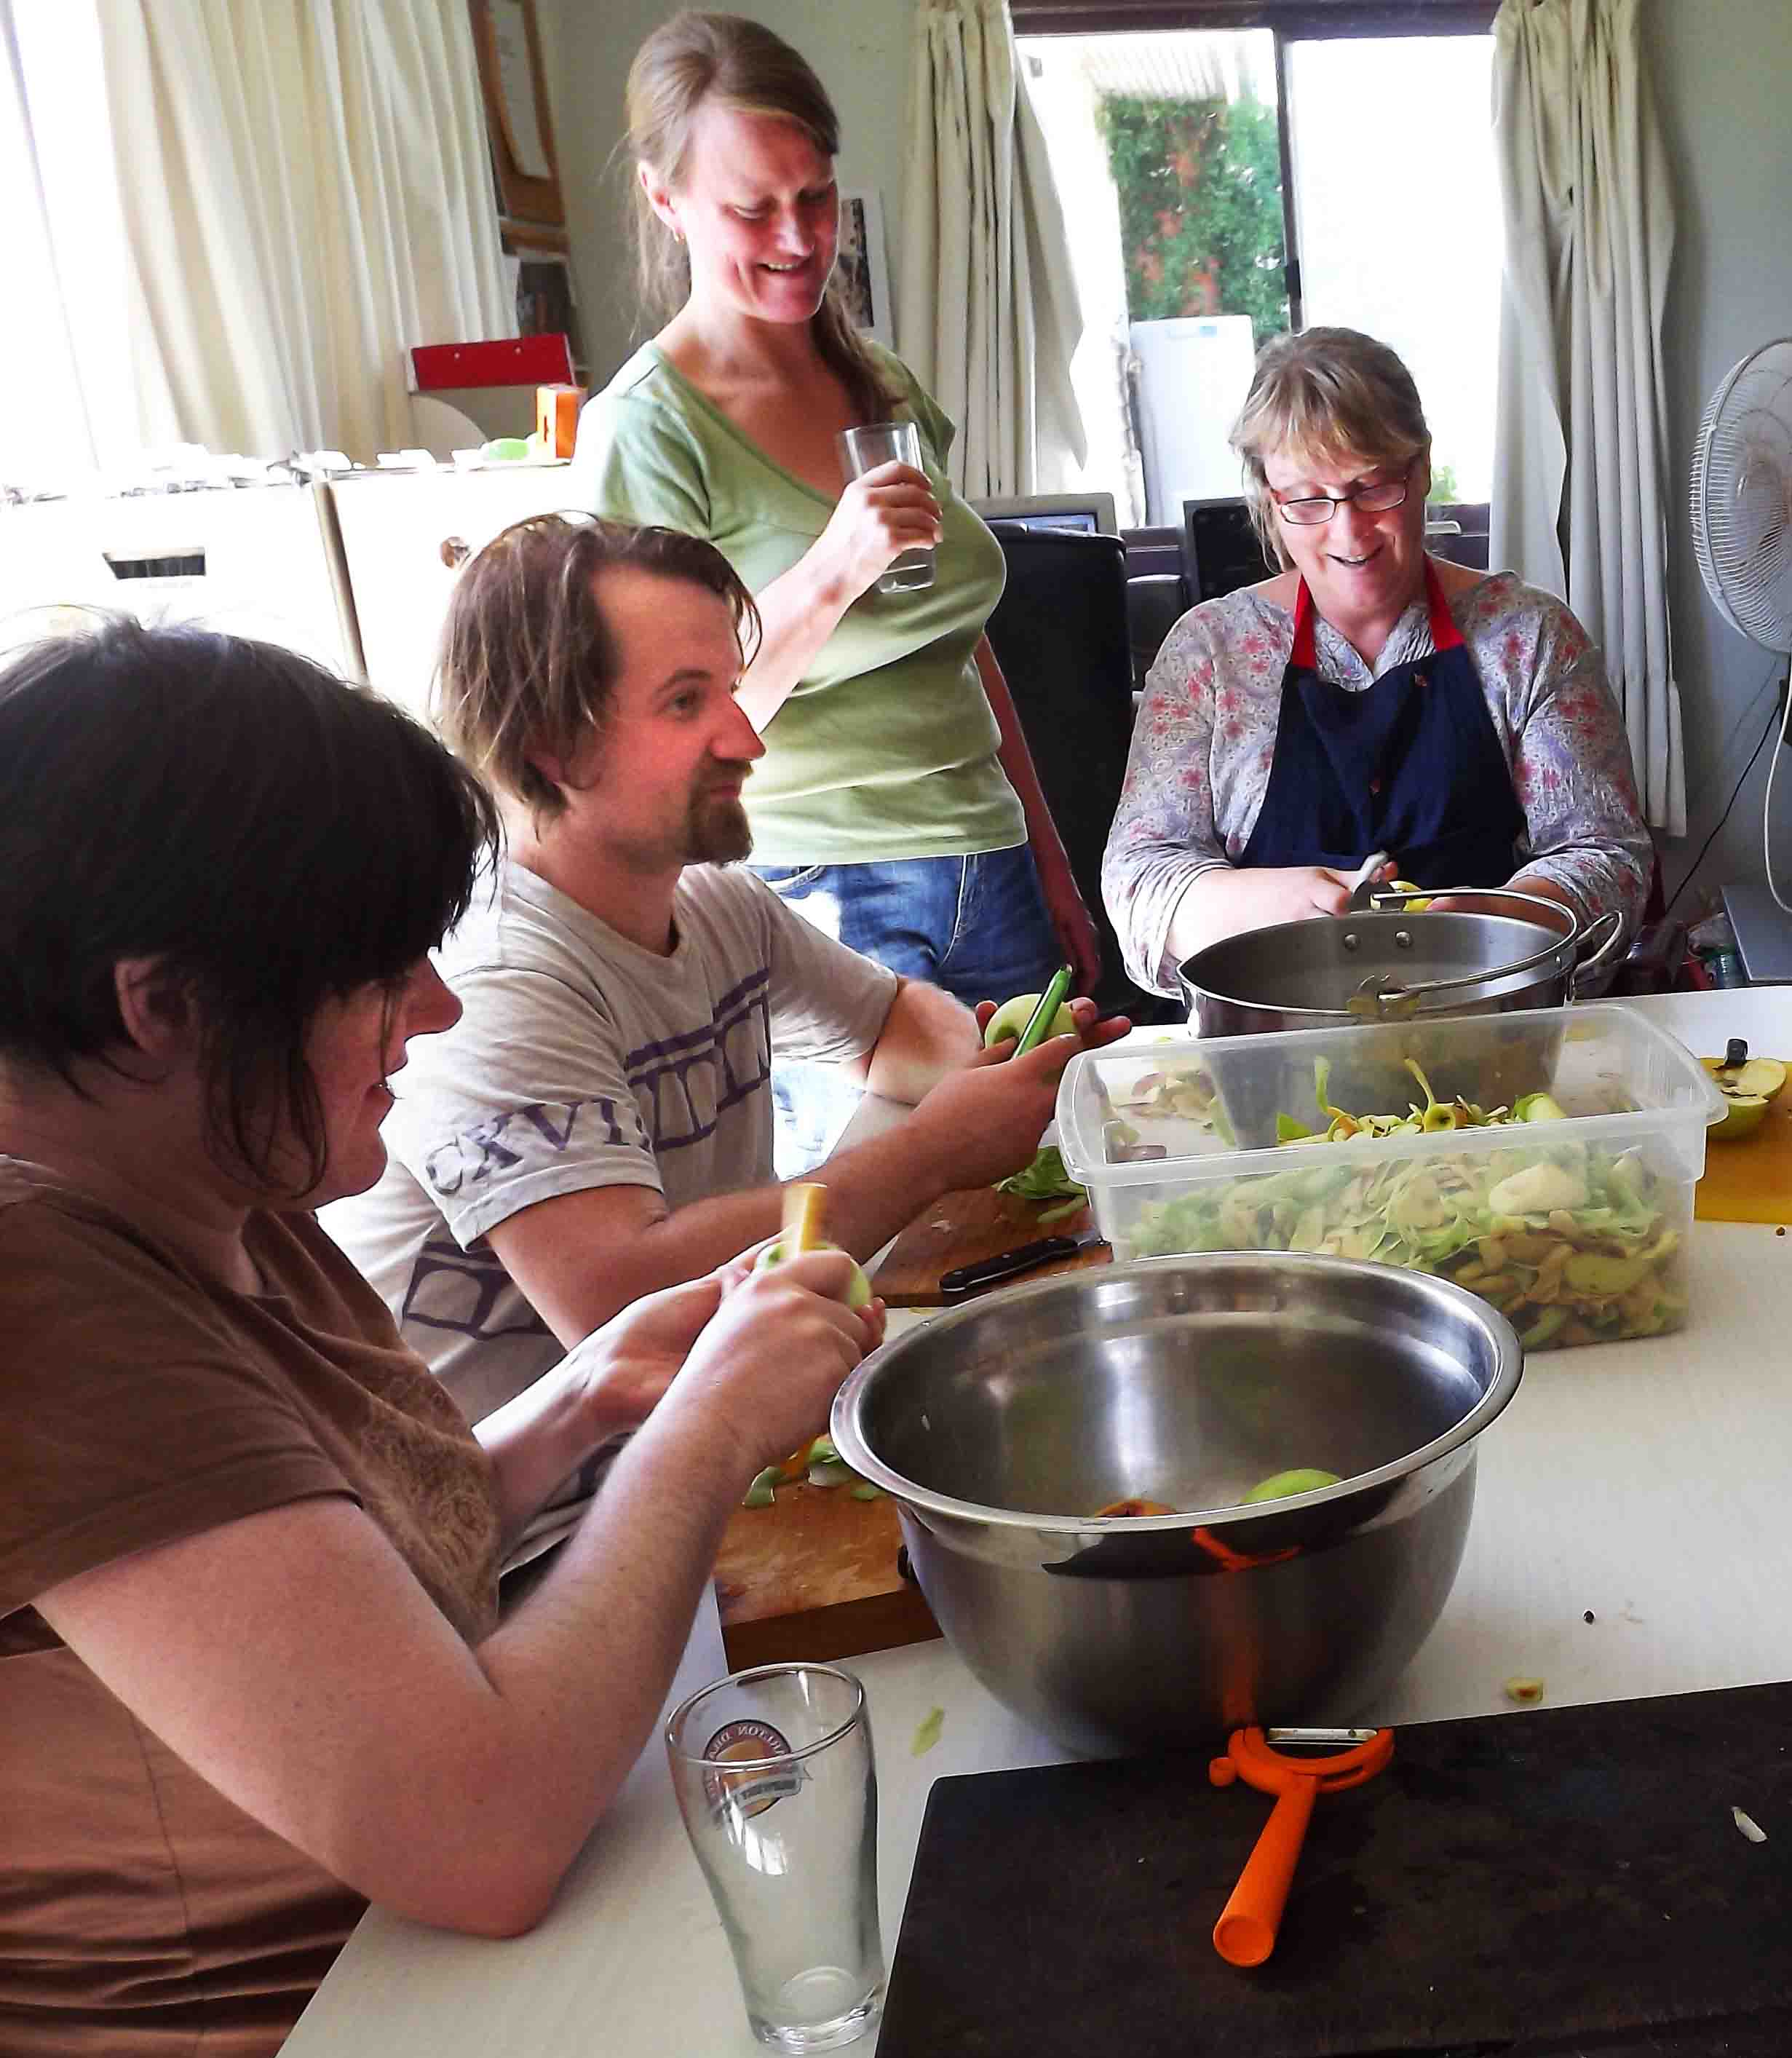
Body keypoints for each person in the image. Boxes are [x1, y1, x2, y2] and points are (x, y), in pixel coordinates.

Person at [0, 621, 1188, 2058]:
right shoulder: (44, 1292)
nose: (430, 1006)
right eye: (377, 967)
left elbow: (326, 1587)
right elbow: (478, 1830)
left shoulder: (199, 1186)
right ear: (158, 1004)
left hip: (396, 2023)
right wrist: (700, 1428)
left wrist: (581, 1404)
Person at [322, 514, 1121, 1566]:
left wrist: (992, 1055)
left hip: (695, 1466)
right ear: (552, 746)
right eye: (687, 703)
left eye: (731, 691)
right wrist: (939, 1150)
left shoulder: (712, 902)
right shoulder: (501, 975)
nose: (748, 738)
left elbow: (894, 1027)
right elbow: (617, 1297)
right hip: (526, 1553)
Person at [582, 9, 1065, 1167]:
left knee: (1048, 1189)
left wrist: (1047, 848)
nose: (801, 239)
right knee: (869, 1231)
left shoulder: (878, 380)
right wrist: (832, 571)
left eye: (818, 197)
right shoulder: (644, 433)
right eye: (755, 208)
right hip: (814, 886)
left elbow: (959, 638)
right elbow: (674, 724)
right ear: (667, 201)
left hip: (983, 854)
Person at [1102, 325, 1654, 998]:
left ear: (1420, 471)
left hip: (1489, 1022)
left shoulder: (1529, 638)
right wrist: (1266, 909)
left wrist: (1491, 923)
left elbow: (1609, 859)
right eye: (1307, 499)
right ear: (1270, 504)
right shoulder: (1208, 655)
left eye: (1372, 487)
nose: (1349, 530)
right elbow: (1139, 874)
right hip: (1260, 1046)